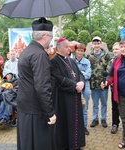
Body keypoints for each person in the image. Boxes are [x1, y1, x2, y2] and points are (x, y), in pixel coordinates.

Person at [17, 17, 56, 150]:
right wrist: (50, 112)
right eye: (51, 37)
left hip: (24, 107)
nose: (51, 40)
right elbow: (42, 87)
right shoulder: (39, 55)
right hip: (36, 110)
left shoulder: (27, 51)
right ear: (45, 36)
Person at [101, 36, 125, 150]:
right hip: (121, 96)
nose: (122, 49)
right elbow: (111, 75)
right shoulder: (117, 60)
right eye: (121, 46)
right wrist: (107, 82)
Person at [51, 38, 85, 150]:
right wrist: (75, 85)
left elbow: (79, 74)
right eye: (66, 47)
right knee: (66, 121)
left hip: (75, 96)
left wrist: (81, 83)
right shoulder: (54, 61)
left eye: (69, 46)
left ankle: (76, 144)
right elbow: (58, 78)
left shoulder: (71, 60)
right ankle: (66, 145)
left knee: (76, 121)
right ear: (59, 48)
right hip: (64, 98)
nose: (69, 48)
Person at [87, 36, 110, 128]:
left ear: (101, 44)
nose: (96, 45)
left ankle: (103, 119)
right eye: (95, 43)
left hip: (104, 84)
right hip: (94, 84)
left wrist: (106, 81)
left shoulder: (106, 55)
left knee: (104, 103)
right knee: (95, 104)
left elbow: (109, 69)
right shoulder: (89, 56)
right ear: (92, 44)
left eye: (98, 43)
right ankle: (95, 119)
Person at [73, 43, 91, 135]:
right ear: (75, 50)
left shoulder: (87, 62)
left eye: (82, 51)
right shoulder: (71, 61)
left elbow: (88, 75)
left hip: (85, 86)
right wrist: (81, 74)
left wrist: (79, 75)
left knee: (84, 108)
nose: (80, 52)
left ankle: (84, 127)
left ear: (84, 52)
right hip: (74, 86)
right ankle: (76, 127)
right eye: (78, 50)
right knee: (74, 108)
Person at [107, 42, 121, 134]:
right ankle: (115, 124)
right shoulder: (113, 61)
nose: (114, 51)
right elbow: (109, 74)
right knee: (114, 108)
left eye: (117, 49)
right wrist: (106, 82)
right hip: (114, 89)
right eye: (113, 49)